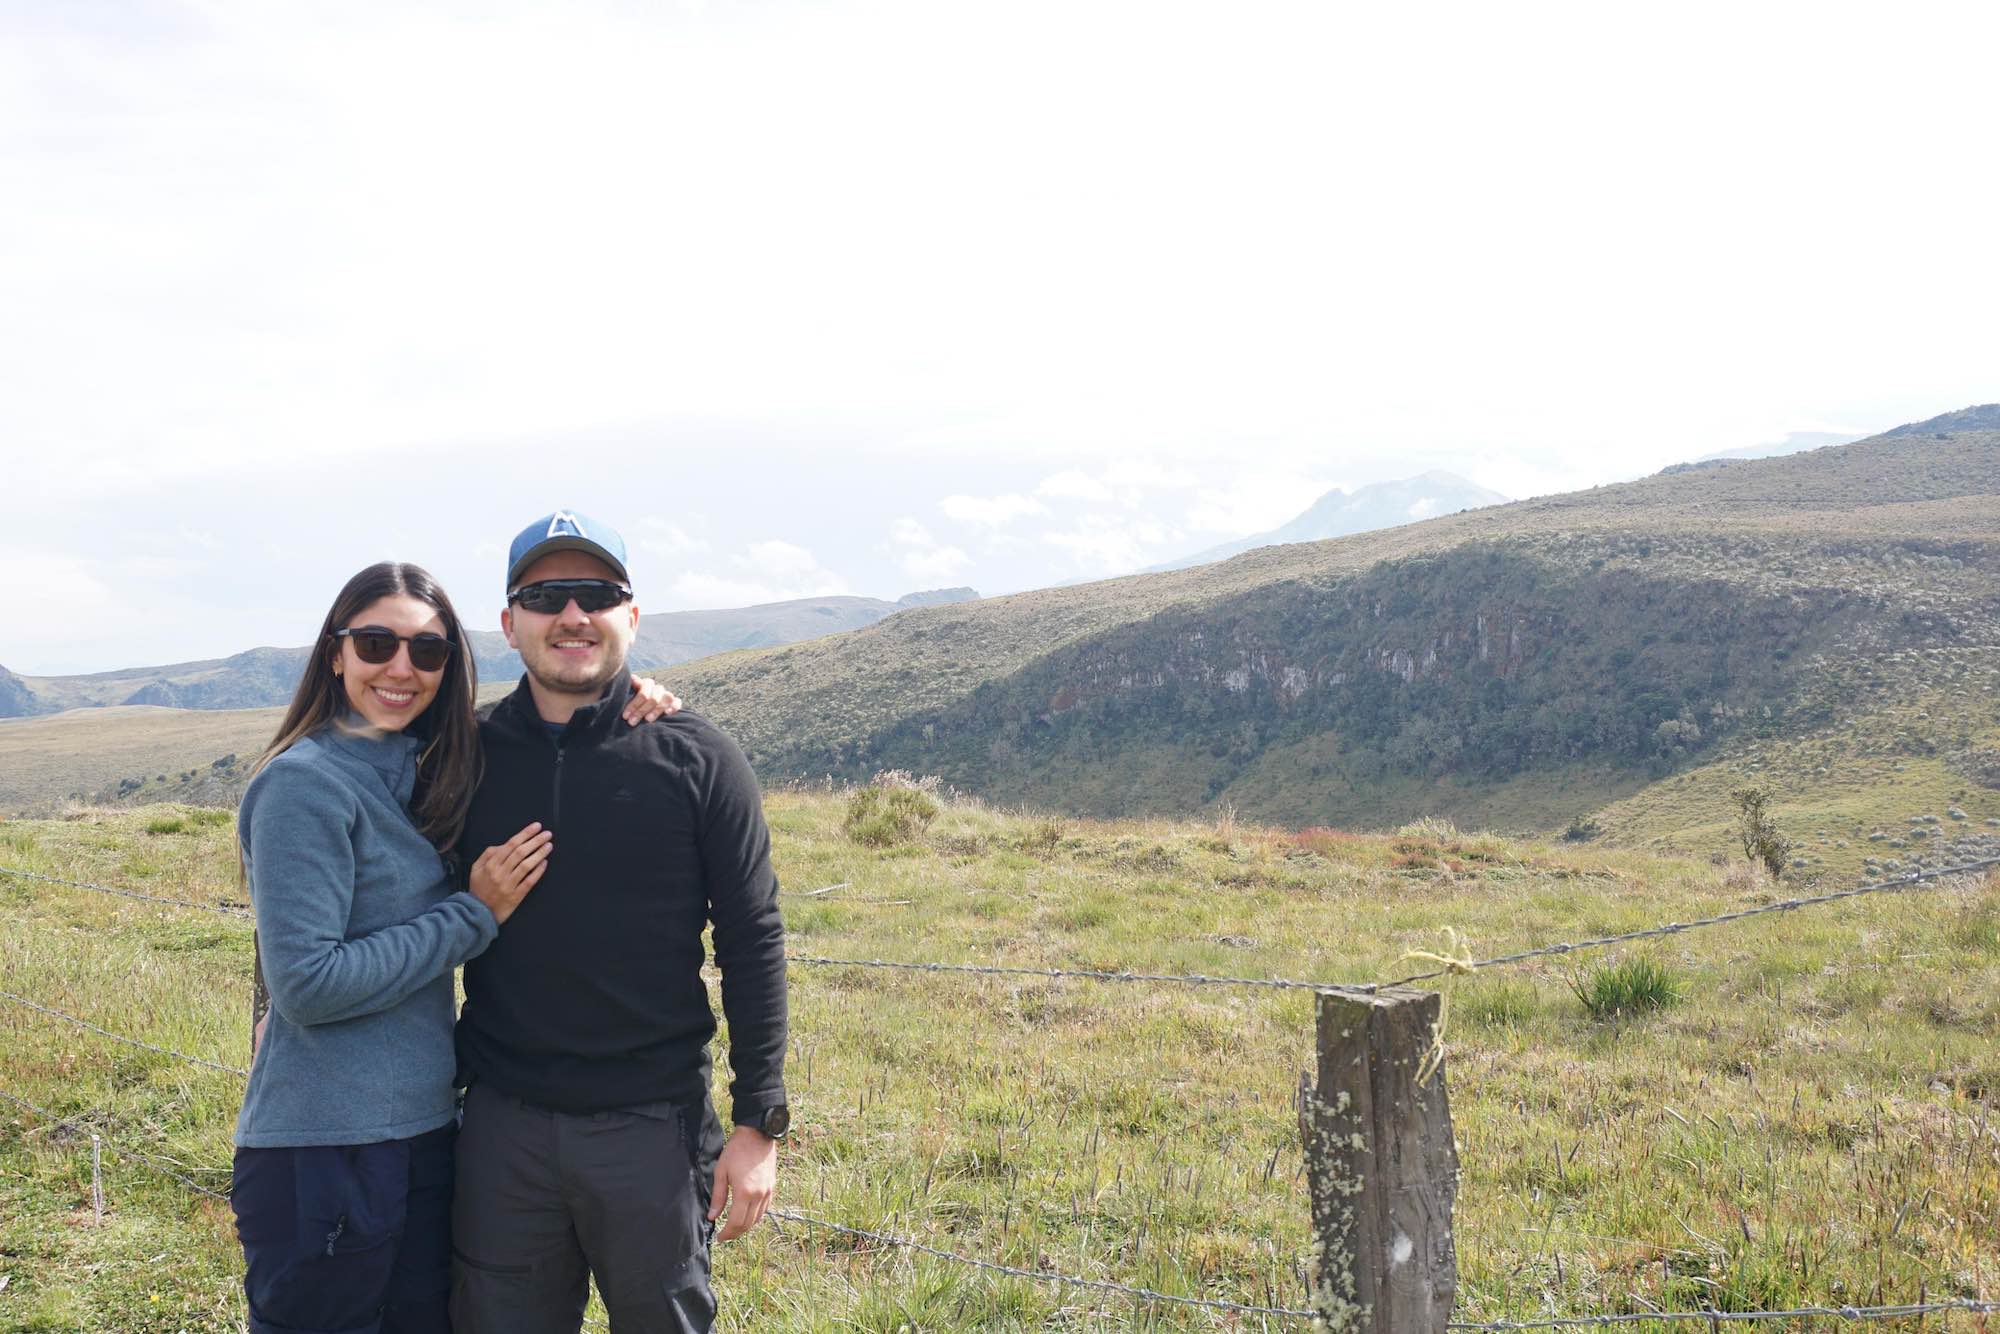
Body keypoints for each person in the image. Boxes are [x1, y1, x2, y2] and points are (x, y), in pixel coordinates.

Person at [232, 560, 676, 1334]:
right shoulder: (304, 785)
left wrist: (622, 696)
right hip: (327, 1151)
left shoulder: (431, 768)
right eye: (376, 644)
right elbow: (306, 984)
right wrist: (472, 915)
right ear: (335, 654)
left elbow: (544, 727)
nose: (401, 669)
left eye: (428, 650)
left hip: (426, 1135)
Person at [450, 510, 788, 1334]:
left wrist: (759, 1123)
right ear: (509, 624)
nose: (572, 614)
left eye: (596, 595)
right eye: (545, 596)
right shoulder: (462, 757)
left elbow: (752, 939)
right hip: (501, 1130)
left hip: (653, 1131)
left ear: (630, 617)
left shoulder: (698, 758)